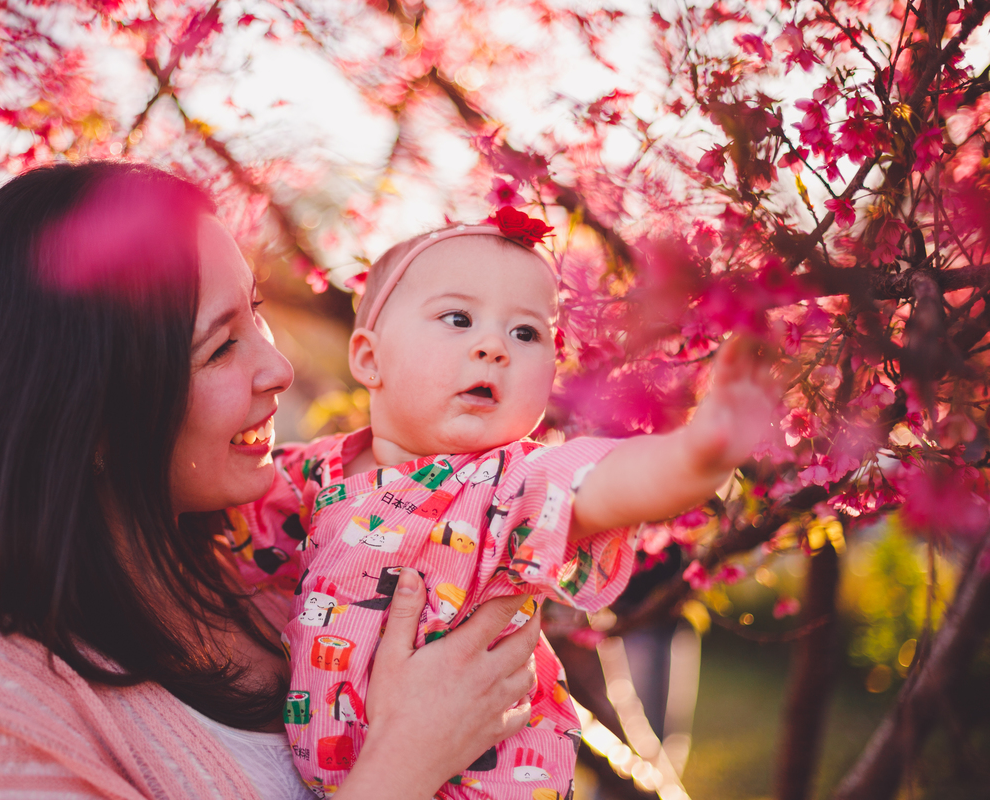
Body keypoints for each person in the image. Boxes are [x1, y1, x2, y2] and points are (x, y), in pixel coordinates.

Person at [0, 162, 545, 800]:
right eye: (221, 346)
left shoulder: (271, 564)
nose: (278, 369)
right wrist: (408, 758)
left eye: (256, 314)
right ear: (90, 418)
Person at [233, 211, 778, 799]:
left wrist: (695, 455)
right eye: (458, 319)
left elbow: (599, 482)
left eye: (526, 333)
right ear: (369, 358)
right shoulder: (317, 473)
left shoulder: (506, 482)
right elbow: (230, 521)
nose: (494, 347)